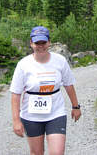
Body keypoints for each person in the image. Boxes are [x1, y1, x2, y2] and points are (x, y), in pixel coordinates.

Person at [10, 26, 81, 155]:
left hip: (56, 113)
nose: (41, 46)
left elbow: (69, 84)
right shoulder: (23, 65)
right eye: (37, 43)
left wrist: (76, 106)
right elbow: (16, 94)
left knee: (57, 152)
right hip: (31, 116)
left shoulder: (60, 61)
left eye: (43, 42)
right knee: (37, 152)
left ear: (49, 42)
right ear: (31, 43)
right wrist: (16, 121)